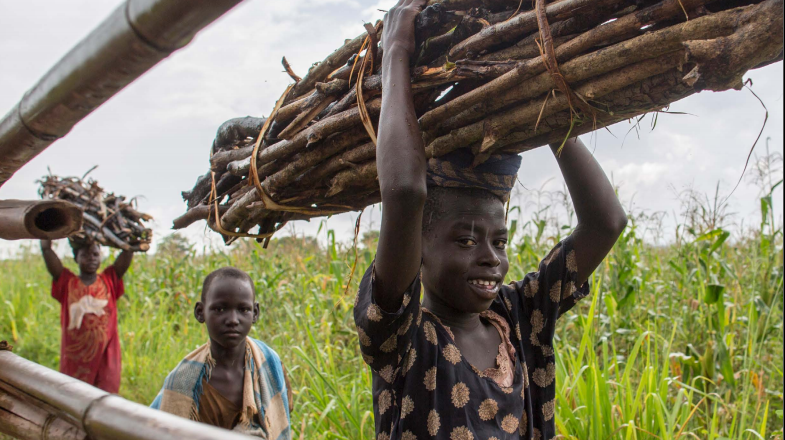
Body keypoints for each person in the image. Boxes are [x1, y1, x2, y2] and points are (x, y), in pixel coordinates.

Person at [352, 1, 629, 438]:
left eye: (499, 242)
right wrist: (397, 52)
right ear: (416, 248)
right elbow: (405, 192)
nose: (491, 260)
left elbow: (606, 223)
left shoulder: (521, 317)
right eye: (465, 241)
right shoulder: (402, 337)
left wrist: (546, 112)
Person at [151, 267, 293, 439]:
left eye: (243, 310)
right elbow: (162, 426)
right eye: (220, 309)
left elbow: (281, 413)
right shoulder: (184, 381)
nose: (233, 320)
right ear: (200, 312)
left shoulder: (268, 362)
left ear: (255, 313)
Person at [40, 238, 134, 393]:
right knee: (73, 398)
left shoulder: (109, 279)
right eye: (85, 255)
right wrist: (45, 240)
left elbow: (127, 251)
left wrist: (131, 239)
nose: (91, 258)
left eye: (95, 254)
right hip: (75, 359)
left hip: (107, 356)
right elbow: (47, 252)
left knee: (106, 401)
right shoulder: (67, 282)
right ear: (75, 258)